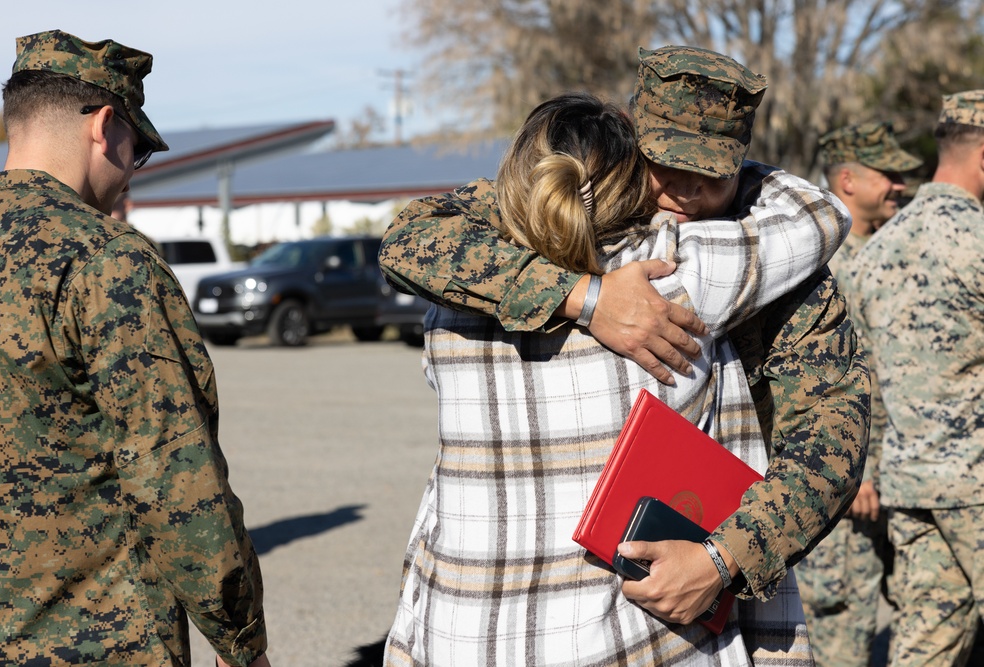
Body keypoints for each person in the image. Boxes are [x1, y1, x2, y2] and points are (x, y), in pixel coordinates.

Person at [380, 43, 869, 625]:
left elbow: (832, 429)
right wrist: (585, 296)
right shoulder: (579, 202)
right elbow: (412, 238)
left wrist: (724, 559)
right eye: (668, 165)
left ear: (742, 163)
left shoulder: (775, 256)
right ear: (633, 142)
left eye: (713, 175)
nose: (687, 194)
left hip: (703, 552)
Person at [0, 30, 269, 667]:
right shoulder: (106, 260)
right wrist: (239, 638)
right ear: (105, 126)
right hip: (99, 642)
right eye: (136, 152)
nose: (127, 175)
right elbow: (176, 478)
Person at [848, 90, 984, 667]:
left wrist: (871, 469)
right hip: (977, 483)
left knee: (924, 644)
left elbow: (863, 379)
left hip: (911, 486)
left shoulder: (875, 252)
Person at [793, 122, 921, 667]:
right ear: (848, 179)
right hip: (853, 483)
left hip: (909, 472)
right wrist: (857, 468)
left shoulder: (895, 250)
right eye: (888, 174)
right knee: (842, 628)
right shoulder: (820, 262)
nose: (901, 185)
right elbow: (821, 376)